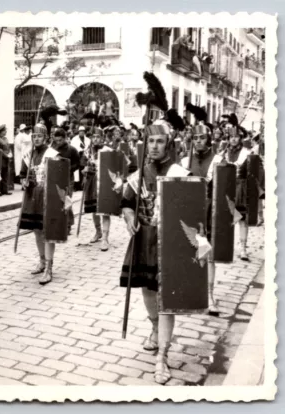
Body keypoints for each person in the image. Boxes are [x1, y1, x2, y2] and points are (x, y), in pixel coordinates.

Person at [120, 121, 191, 385]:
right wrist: (128, 215)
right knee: (148, 291)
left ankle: (162, 355)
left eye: (159, 141)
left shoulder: (181, 172)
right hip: (144, 240)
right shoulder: (138, 174)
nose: (154, 146)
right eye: (150, 141)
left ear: (169, 144)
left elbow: (194, 211)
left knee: (166, 298)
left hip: (170, 244)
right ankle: (154, 327)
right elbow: (126, 203)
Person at [180, 124, 223, 315]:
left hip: (209, 212)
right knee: (190, 252)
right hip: (190, 212)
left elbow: (222, 191)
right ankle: (191, 291)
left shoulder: (217, 160)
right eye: (195, 138)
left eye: (202, 138)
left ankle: (210, 295)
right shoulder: (184, 161)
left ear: (208, 139)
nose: (198, 141)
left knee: (209, 255)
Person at [18, 122, 60, 285]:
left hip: (47, 197)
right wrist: (24, 182)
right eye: (34, 136)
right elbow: (22, 175)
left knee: (47, 232)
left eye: (39, 136)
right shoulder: (28, 155)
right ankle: (42, 261)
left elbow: (58, 176)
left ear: (46, 137)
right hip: (32, 197)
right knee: (36, 230)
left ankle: (49, 267)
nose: (36, 139)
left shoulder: (52, 154)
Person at [222, 122, 252, 261]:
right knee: (225, 218)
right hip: (226, 187)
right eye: (231, 137)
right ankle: (224, 246)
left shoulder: (247, 153)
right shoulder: (223, 152)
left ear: (240, 138)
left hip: (241, 187)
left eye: (236, 137)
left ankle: (243, 248)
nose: (233, 139)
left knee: (242, 218)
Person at [81, 126, 114, 251]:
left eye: (98, 137)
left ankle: (105, 238)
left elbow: (116, 167)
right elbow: (83, 167)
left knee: (104, 211)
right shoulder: (87, 151)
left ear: (102, 138)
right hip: (91, 183)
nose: (95, 139)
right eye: (93, 137)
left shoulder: (108, 150)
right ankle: (98, 231)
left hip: (104, 183)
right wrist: (85, 170)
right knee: (94, 210)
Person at [51, 127, 81, 234]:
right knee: (56, 200)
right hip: (55, 177)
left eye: (60, 140)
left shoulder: (72, 150)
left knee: (66, 200)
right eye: (56, 140)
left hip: (68, 178)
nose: (58, 142)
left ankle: (68, 224)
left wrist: (68, 168)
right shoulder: (52, 149)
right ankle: (58, 222)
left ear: (65, 138)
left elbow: (78, 164)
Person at [71, 126, 91, 191]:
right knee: (77, 172)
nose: (82, 132)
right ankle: (76, 186)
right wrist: (80, 150)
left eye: (83, 131)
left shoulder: (88, 139)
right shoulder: (74, 139)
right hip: (77, 157)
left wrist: (85, 150)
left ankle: (82, 186)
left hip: (85, 157)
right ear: (78, 132)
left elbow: (89, 147)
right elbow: (73, 147)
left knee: (83, 171)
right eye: (80, 131)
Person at [0, 124, 12, 196]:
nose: (6, 131)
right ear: (1, 132)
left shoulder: (5, 139)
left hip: (6, 159)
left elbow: (8, 148)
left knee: (5, 174)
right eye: (4, 130)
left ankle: (5, 190)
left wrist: (10, 154)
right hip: (0, 159)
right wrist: (6, 155)